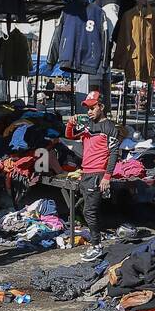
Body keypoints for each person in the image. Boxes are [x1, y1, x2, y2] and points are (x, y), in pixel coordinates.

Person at [64, 89, 121, 260]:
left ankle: (96, 245)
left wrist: (107, 177)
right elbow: (69, 136)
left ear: (101, 107)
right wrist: (70, 124)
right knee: (89, 210)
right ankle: (96, 241)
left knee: (89, 211)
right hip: (85, 173)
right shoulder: (87, 125)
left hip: (97, 174)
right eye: (87, 108)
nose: (89, 111)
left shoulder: (109, 127)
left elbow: (114, 153)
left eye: (92, 108)